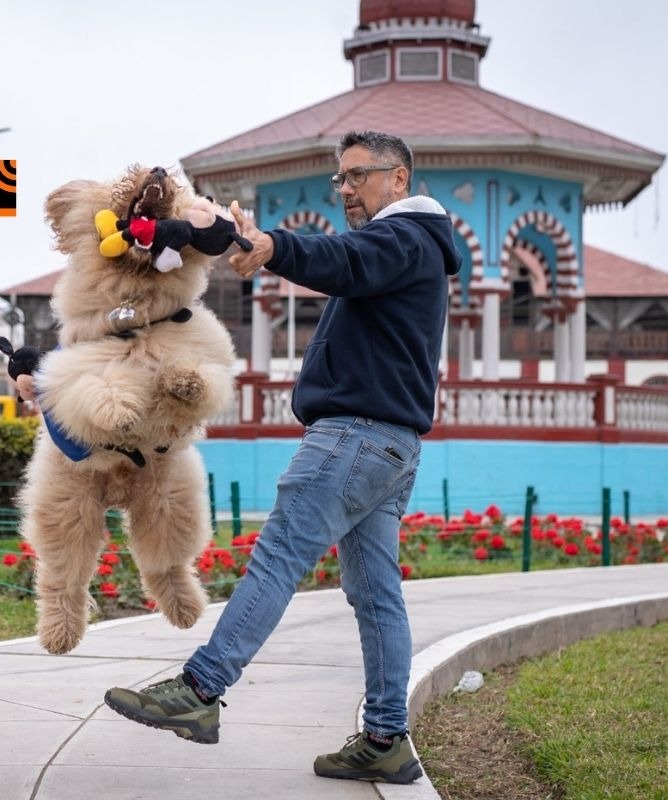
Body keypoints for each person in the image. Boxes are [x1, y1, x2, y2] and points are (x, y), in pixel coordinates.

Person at [103, 131, 461, 784]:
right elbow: (347, 263)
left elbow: (341, 262)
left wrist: (272, 246)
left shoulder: (403, 237)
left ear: (401, 179)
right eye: (341, 179)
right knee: (376, 595)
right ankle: (385, 737)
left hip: (352, 439)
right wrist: (259, 242)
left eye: (359, 176)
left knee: (278, 558)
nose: (347, 189)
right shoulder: (416, 250)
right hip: (390, 446)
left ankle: (201, 690)